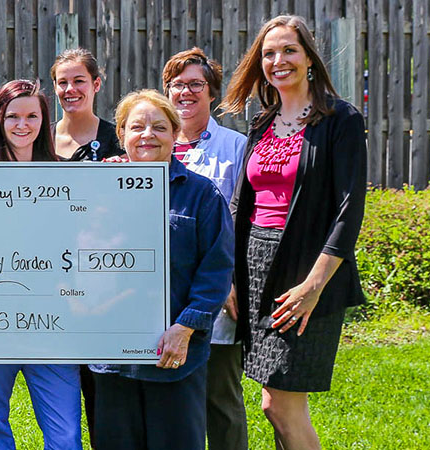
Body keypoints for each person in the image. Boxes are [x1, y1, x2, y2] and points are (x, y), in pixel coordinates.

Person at [219, 15, 367, 450]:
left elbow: (349, 210)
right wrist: (227, 271)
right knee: (271, 399)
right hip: (255, 267)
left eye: (288, 50)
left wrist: (313, 286)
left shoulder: (340, 119)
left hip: (305, 270)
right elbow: (239, 203)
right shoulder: (263, 122)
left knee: (281, 406)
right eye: (268, 53)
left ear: (309, 59)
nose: (277, 61)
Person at [91, 90, 233, 450]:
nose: (147, 135)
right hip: (111, 357)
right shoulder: (94, 192)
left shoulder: (202, 195)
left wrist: (184, 328)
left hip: (174, 356)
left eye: (159, 126)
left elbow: (216, 270)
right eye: (136, 127)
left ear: (174, 133)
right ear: (121, 134)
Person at [0, 79, 81, 450]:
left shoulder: (70, 177)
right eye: (13, 116)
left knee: (64, 434)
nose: (22, 125)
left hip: (53, 323)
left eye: (32, 116)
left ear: (45, 121)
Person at [161, 47, 249, 450]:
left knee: (221, 398)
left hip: (218, 289)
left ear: (211, 92)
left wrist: (229, 280)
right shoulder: (150, 145)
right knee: (174, 400)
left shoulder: (235, 147)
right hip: (162, 291)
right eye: (177, 85)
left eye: (195, 84)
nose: (185, 93)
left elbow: (243, 217)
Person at [51, 48, 124, 162]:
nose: (70, 89)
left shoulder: (118, 140)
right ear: (55, 87)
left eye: (79, 81)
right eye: (63, 82)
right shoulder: (40, 138)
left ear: (96, 84)